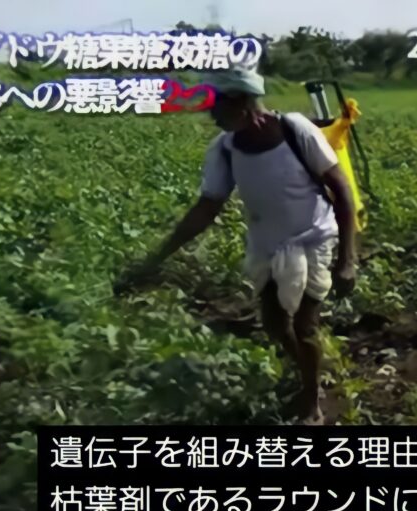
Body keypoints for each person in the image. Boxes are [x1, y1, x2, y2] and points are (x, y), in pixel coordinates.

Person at [114, 67, 357, 425]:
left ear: (241, 101)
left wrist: (348, 258)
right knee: (276, 324)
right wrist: (158, 256)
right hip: (266, 245)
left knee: (305, 324)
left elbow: (342, 190)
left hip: (313, 237)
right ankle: (309, 371)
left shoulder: (294, 130)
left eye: (216, 106)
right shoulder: (226, 149)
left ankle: (311, 401)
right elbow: (207, 208)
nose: (211, 115)